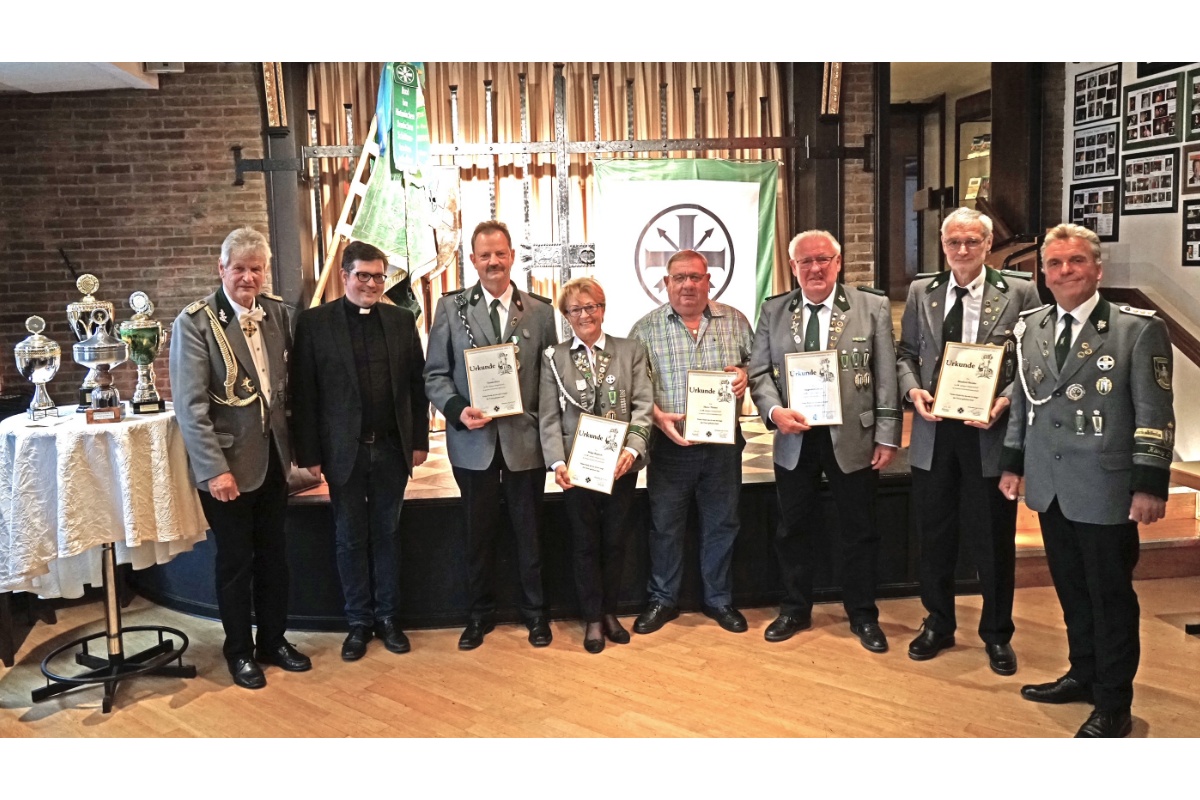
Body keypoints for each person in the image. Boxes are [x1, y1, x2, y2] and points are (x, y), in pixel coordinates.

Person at [999, 223, 1174, 738]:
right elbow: (1024, 406)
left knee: (1110, 595)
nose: (1065, 271)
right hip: (1051, 484)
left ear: (1097, 268)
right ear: (1044, 273)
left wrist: (1149, 484)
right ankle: (1084, 673)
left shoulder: (1135, 329)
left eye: (1075, 261)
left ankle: (1115, 700)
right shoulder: (1030, 328)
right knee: (1072, 590)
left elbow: (1154, 413)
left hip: (1106, 489)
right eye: (1054, 263)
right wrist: (1014, 465)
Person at [896, 207, 1042, 675]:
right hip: (934, 432)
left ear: (987, 245)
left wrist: (1004, 399)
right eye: (954, 243)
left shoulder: (1019, 291)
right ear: (943, 246)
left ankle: (997, 633)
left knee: (992, 539)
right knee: (933, 534)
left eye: (972, 242)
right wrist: (912, 388)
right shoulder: (923, 290)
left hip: (989, 433)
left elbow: (1033, 362)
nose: (962, 251)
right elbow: (906, 354)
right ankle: (938, 622)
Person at [170, 227, 311, 690]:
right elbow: (190, 407)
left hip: (273, 460)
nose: (248, 278)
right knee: (235, 563)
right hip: (227, 468)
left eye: (256, 269)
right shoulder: (195, 322)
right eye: (239, 269)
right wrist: (214, 470)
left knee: (275, 558)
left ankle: (273, 640)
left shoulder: (276, 314)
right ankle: (239, 651)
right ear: (221, 269)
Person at [749, 230, 901, 651]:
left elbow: (886, 375)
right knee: (793, 527)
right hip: (794, 438)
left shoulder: (871, 306)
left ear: (838, 262)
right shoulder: (774, 311)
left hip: (853, 437)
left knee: (859, 528)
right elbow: (758, 372)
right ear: (793, 266)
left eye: (823, 259)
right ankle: (795, 607)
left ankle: (863, 614)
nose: (815, 268)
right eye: (805, 262)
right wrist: (774, 412)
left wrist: (887, 435)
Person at [290, 241, 429, 661]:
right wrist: (309, 454)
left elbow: (416, 387)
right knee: (349, 538)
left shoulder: (402, 320)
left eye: (378, 276)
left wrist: (419, 441)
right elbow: (305, 392)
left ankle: (388, 618)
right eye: (363, 275)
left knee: (387, 534)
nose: (371, 283)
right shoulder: (315, 324)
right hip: (342, 453)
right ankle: (357, 623)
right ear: (344, 276)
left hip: (390, 449)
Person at [424, 220, 558, 650]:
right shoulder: (451, 309)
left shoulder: (541, 310)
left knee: (530, 532)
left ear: (512, 256)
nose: (494, 262)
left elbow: (551, 377)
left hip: (525, 443)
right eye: (485, 255)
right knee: (475, 535)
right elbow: (435, 374)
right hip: (473, 443)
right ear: (473, 260)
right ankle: (478, 616)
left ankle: (536, 614)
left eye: (500, 253)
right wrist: (457, 411)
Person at [628, 249, 753, 635]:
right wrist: (654, 414)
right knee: (665, 527)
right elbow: (633, 390)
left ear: (708, 281)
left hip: (722, 448)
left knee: (722, 524)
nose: (687, 284)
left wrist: (746, 374)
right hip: (670, 448)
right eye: (679, 277)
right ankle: (662, 599)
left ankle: (718, 600)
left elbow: (761, 368)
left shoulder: (735, 321)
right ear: (665, 283)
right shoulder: (644, 329)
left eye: (695, 277)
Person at [539, 277, 653, 653]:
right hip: (578, 469)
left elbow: (642, 405)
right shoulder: (554, 358)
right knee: (585, 545)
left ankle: (609, 612)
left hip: (621, 466)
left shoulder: (630, 350)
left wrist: (632, 451)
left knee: (615, 542)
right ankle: (591, 617)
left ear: (603, 309)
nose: (584, 314)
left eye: (591, 306)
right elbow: (549, 418)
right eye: (575, 309)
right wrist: (557, 462)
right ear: (566, 316)